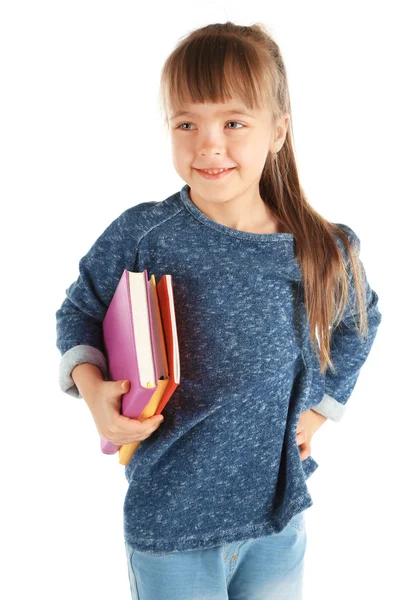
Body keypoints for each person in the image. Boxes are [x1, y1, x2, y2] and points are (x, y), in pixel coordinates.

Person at [55, 21, 382, 600]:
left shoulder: (317, 246)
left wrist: (323, 408)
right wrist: (92, 388)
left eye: (233, 122)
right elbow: (80, 308)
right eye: (187, 123)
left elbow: (361, 319)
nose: (209, 143)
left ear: (277, 130)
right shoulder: (145, 232)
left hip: (276, 520)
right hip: (171, 523)